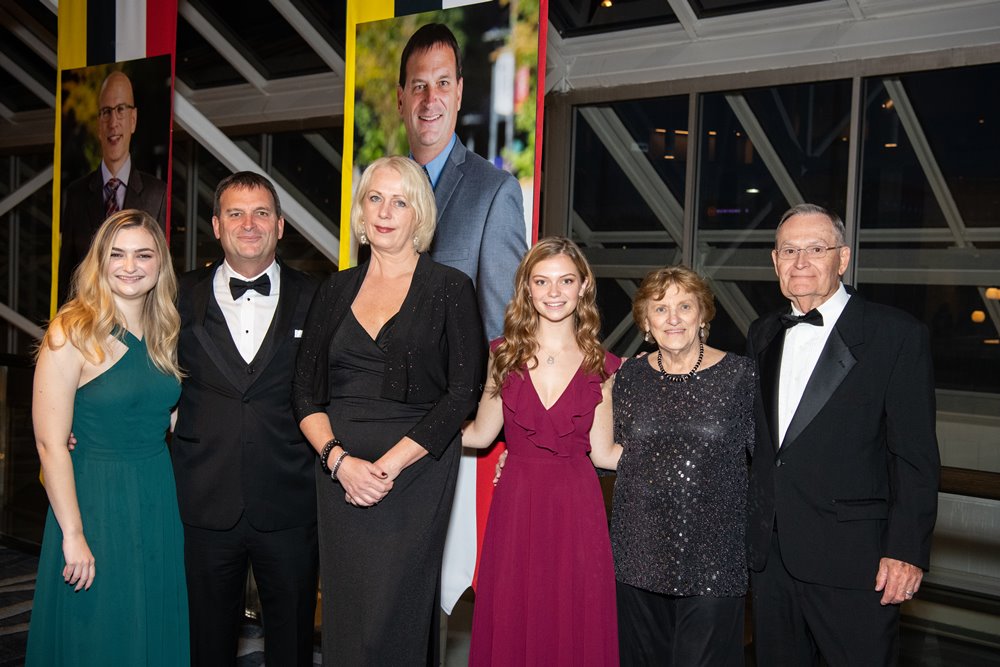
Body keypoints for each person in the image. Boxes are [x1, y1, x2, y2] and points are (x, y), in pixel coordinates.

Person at [292, 156, 484, 665]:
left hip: (415, 476)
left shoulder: (450, 288)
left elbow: (463, 393)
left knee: (393, 621)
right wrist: (339, 461)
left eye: (400, 201)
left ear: (418, 214)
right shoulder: (334, 290)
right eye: (375, 198)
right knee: (348, 618)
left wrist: (387, 466)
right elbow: (304, 393)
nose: (385, 211)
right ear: (360, 211)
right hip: (340, 475)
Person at [746, 203, 940, 665]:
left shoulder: (895, 335)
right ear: (774, 262)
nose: (800, 262)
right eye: (789, 250)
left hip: (857, 562)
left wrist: (906, 552)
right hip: (771, 558)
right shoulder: (762, 332)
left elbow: (915, 457)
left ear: (843, 258)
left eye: (816, 249)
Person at [396, 20, 528, 613]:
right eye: (418, 85)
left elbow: (507, 327)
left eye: (441, 83)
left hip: (457, 433)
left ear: (460, 89)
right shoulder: (383, 191)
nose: (430, 99)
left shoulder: (493, 192)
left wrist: (493, 426)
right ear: (401, 96)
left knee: (451, 600)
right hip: (382, 426)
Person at [27, 209, 188, 665]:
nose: (130, 266)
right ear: (100, 261)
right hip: (93, 499)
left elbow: (167, 414)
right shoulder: (71, 331)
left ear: (160, 263)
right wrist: (73, 533)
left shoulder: (165, 331)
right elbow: (49, 444)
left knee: (150, 620)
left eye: (143, 254)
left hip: (156, 495)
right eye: (116, 254)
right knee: (99, 628)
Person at [171, 172, 319, 666]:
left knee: (294, 645)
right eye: (235, 213)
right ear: (216, 225)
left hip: (291, 501)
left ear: (280, 225)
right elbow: (141, 369)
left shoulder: (318, 298)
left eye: (261, 214)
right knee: (206, 644)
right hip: (205, 500)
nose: (248, 224)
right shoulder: (176, 296)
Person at [462, 236, 620, 666]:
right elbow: (479, 434)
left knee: (573, 621)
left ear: (583, 286)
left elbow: (604, 453)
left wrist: (677, 456)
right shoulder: (503, 355)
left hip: (577, 510)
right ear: (526, 288)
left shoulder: (603, 366)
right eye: (542, 281)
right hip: (516, 508)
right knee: (514, 616)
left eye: (565, 280)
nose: (553, 293)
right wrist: (406, 431)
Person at [610, 266, 755, 666]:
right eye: (660, 309)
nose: (672, 319)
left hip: (715, 559)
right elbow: (605, 451)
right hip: (638, 554)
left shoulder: (741, 376)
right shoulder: (629, 377)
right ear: (645, 321)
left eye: (684, 306)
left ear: (703, 316)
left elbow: (770, 464)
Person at [60, 71, 168, 300]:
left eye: (121, 109)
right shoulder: (76, 194)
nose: (113, 121)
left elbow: (163, 273)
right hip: (87, 324)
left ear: (133, 119)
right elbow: (67, 276)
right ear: (98, 123)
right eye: (106, 112)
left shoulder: (156, 193)